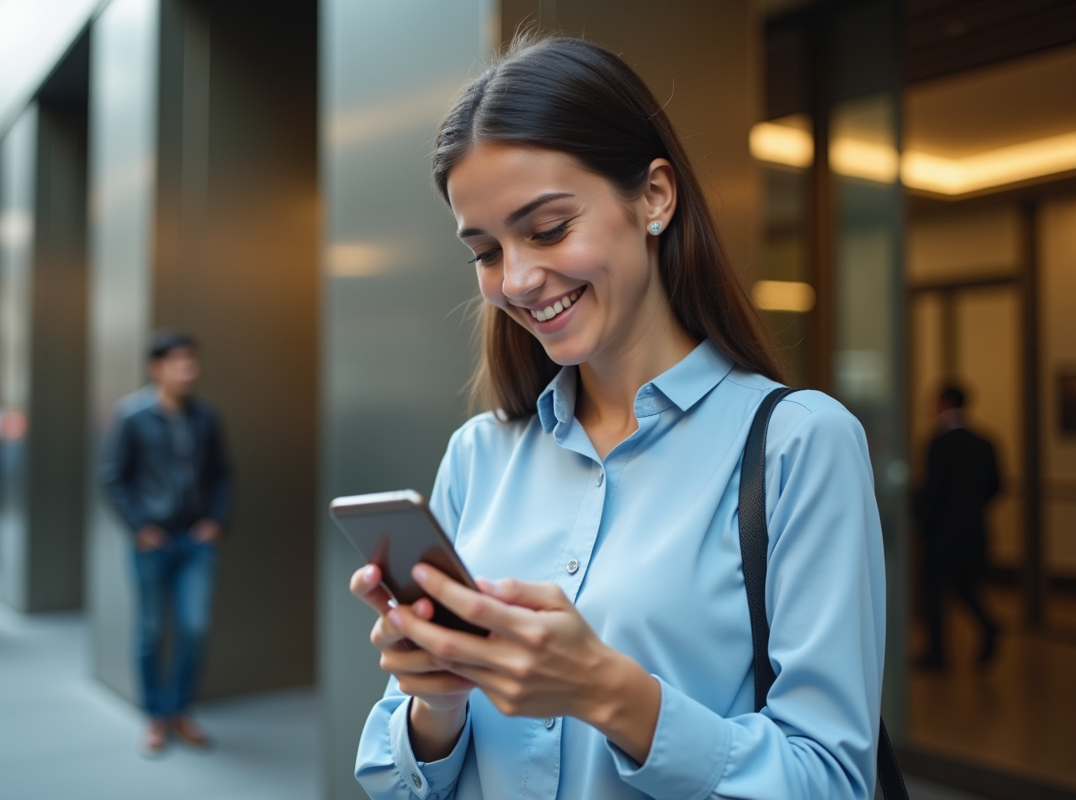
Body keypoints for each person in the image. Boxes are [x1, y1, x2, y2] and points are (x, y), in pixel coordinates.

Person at [349, 37, 887, 800]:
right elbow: (395, 781)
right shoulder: (478, 455)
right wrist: (437, 702)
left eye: (548, 228)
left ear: (655, 197)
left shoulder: (800, 446)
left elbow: (831, 780)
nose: (517, 280)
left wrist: (609, 693)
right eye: (486, 251)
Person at [102, 331, 232, 757]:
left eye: (192, 361)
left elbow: (222, 473)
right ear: (156, 368)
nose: (188, 369)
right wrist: (140, 527)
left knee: (194, 627)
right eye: (179, 362)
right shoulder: (132, 416)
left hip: (196, 541)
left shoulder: (206, 416)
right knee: (151, 629)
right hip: (152, 542)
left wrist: (216, 521)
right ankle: (155, 716)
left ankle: (181, 710)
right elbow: (113, 478)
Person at [915, 385, 1001, 669]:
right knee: (965, 586)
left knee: (934, 590)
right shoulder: (985, 441)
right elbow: (996, 485)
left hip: (942, 531)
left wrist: (919, 520)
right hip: (975, 528)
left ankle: (937, 653)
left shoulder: (938, 442)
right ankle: (988, 625)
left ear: (945, 402)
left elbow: (933, 490)